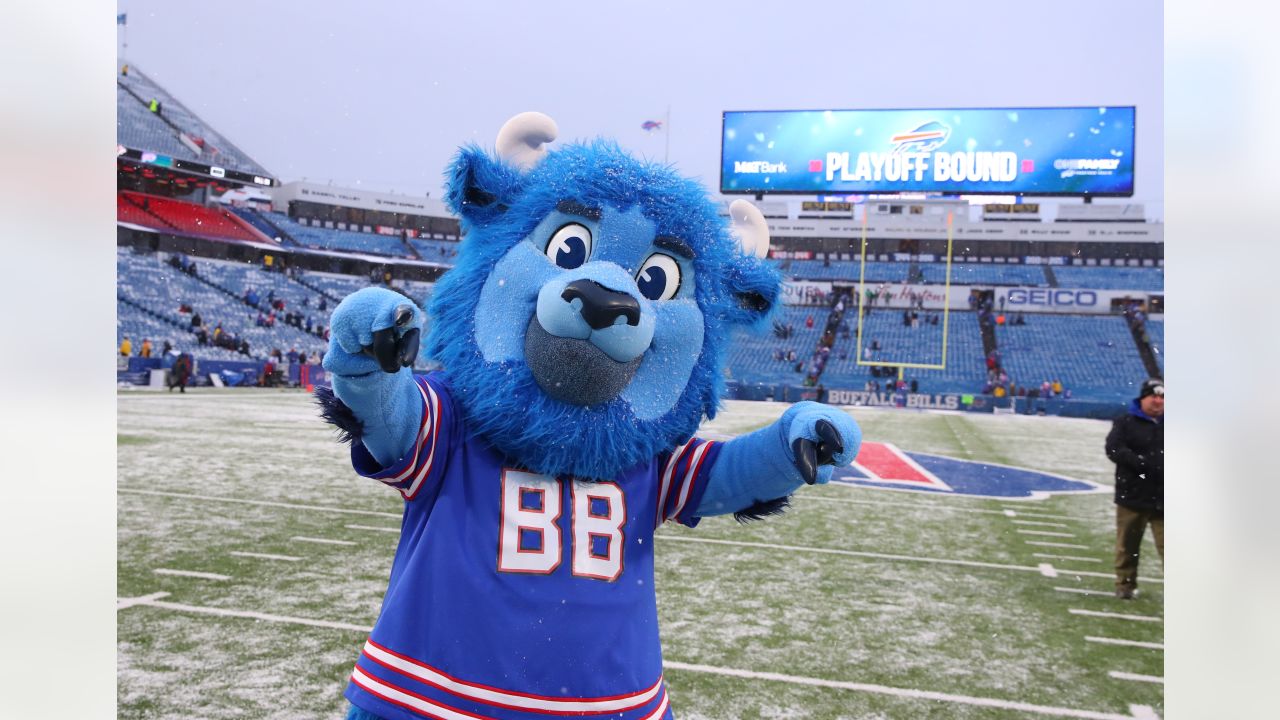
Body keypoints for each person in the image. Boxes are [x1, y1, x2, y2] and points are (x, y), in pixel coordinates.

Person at [1105, 379, 1164, 600]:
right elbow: (1113, 448)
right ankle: (1125, 585)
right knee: (1127, 547)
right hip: (1133, 495)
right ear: (1143, 398)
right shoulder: (1125, 422)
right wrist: (1139, 463)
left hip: (1166, 497)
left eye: (1162, 397)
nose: (1158, 401)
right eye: (1153, 396)